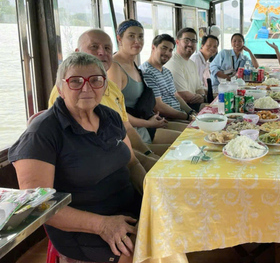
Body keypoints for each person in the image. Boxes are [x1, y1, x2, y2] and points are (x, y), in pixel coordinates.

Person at [10, 53, 141, 263]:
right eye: (76, 81)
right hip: (84, 227)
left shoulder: (110, 116)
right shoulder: (42, 133)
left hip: (126, 208)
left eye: (96, 80)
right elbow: (38, 205)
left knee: (169, 227)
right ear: (60, 89)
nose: (87, 88)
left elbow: (132, 163)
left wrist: (153, 195)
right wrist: (103, 225)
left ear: (105, 85)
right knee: (138, 251)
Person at [48, 29, 160, 170]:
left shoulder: (111, 87)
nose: (102, 52)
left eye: (107, 48)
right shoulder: (68, 91)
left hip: (122, 156)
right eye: (94, 47)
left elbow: (127, 128)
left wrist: (148, 154)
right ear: (77, 52)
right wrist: (146, 160)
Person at [108, 20, 183, 145]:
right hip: (132, 131)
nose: (137, 41)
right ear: (119, 39)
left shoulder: (133, 64)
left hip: (146, 121)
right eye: (131, 36)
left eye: (140, 36)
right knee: (186, 143)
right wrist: (148, 123)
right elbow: (117, 112)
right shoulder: (114, 67)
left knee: (192, 135)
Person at [140, 34, 197, 122]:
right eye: (164, 48)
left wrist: (191, 112)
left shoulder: (166, 72)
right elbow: (159, 107)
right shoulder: (147, 72)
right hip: (165, 120)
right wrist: (187, 117)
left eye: (170, 50)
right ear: (153, 47)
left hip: (179, 116)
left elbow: (176, 96)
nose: (167, 53)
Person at [164, 27, 207, 112]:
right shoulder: (173, 62)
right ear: (177, 42)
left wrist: (202, 96)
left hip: (195, 104)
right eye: (186, 40)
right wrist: (202, 97)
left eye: (193, 41)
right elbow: (184, 96)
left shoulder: (192, 63)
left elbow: (199, 88)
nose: (190, 44)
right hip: (182, 109)